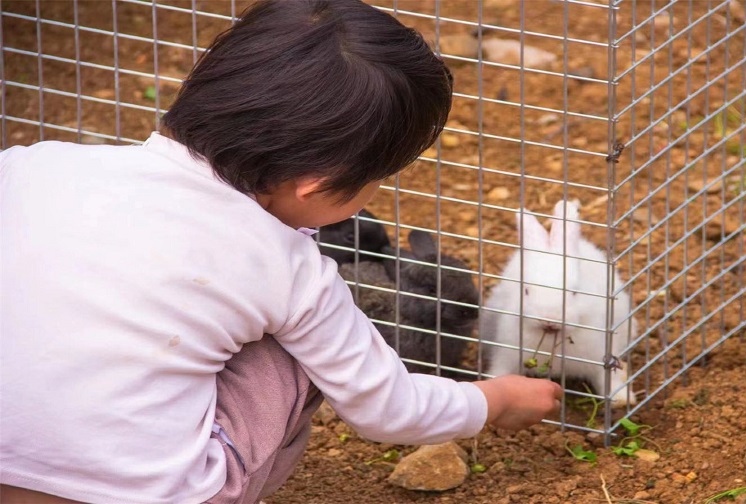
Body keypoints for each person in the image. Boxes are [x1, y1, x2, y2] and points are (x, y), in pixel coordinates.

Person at [0, 1, 562, 503]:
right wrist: (494, 399)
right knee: (297, 346)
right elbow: (388, 409)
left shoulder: (30, 164)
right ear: (314, 186)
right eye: (380, 179)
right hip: (155, 491)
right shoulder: (288, 269)